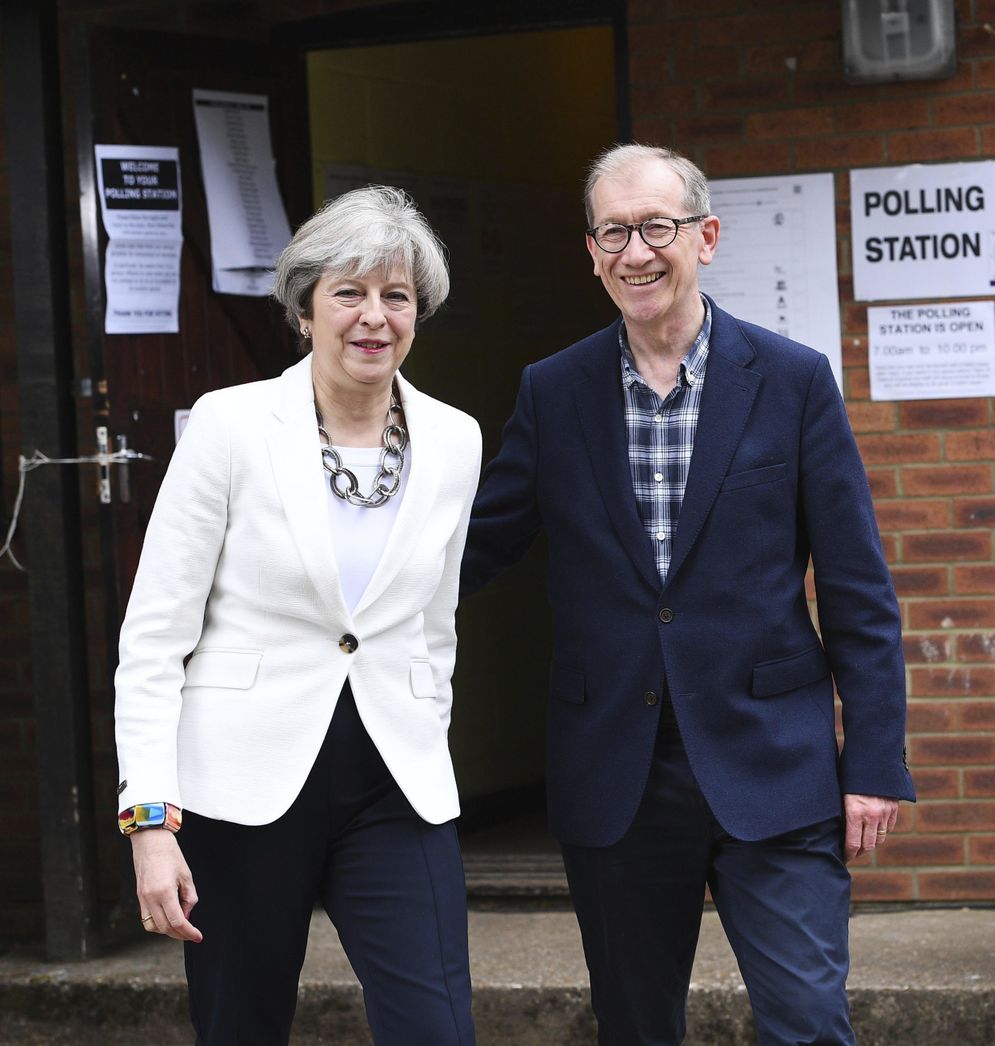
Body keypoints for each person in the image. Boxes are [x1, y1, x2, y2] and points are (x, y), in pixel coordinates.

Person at [463, 143, 914, 1044]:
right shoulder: (552, 393)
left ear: (705, 237)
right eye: (615, 232)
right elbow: (475, 549)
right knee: (636, 1028)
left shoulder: (791, 381)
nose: (637, 252)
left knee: (809, 1022)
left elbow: (859, 587)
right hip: (616, 771)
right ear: (591, 251)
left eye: (657, 228)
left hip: (774, 764)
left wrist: (873, 760)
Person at [114, 186, 480, 1044]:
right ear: (305, 308)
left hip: (397, 784)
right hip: (241, 791)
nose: (374, 317)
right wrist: (151, 824)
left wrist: (427, 725)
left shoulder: (455, 437)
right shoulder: (231, 425)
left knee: (437, 1026)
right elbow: (155, 639)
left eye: (396, 296)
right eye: (348, 293)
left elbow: (437, 623)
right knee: (241, 1027)